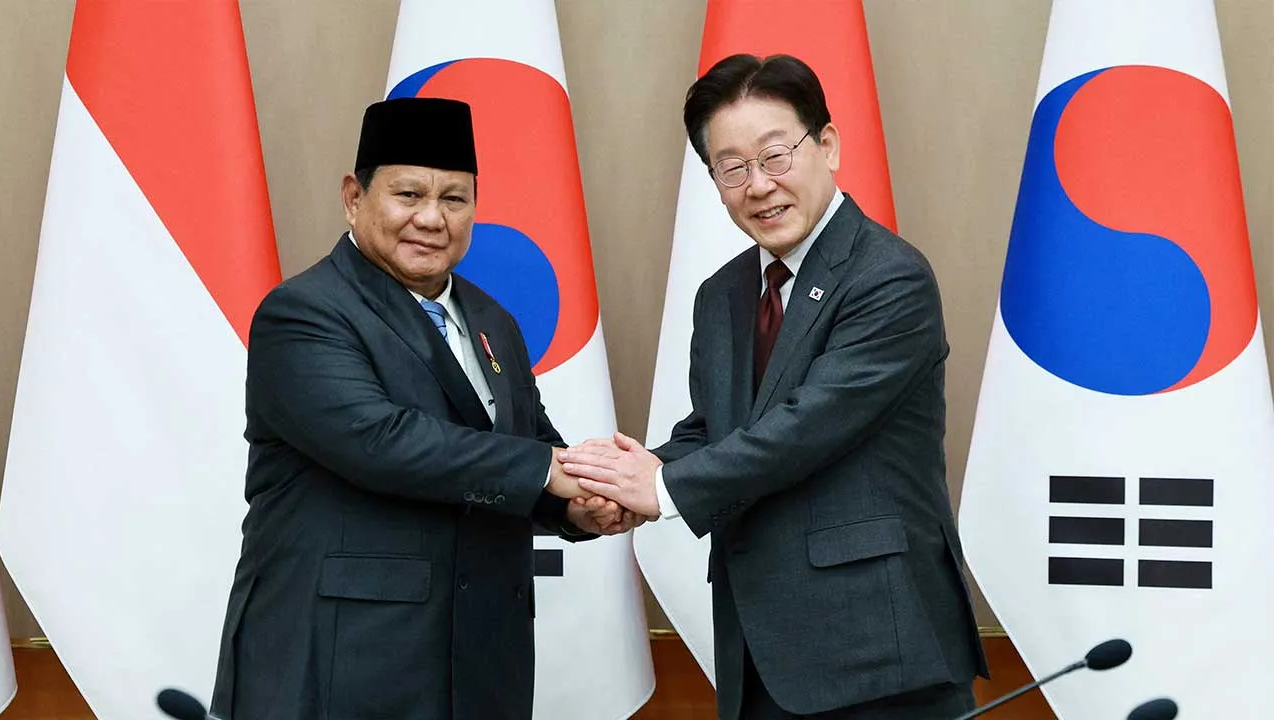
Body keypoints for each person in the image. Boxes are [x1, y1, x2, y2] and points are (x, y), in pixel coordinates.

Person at [562, 54, 989, 719]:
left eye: (775, 156)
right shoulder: (723, 293)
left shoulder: (888, 277)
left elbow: (806, 425)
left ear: (828, 146)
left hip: (879, 655)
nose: (758, 185)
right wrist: (620, 481)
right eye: (732, 168)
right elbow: (715, 430)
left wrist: (663, 489)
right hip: (759, 650)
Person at [210, 97, 635, 720]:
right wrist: (550, 471)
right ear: (354, 197)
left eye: (454, 199)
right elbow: (381, 441)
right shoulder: (304, 313)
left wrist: (579, 504)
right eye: (409, 195)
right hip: (343, 660)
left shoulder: (493, 321)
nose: (432, 219)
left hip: (481, 664)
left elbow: (529, 444)